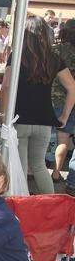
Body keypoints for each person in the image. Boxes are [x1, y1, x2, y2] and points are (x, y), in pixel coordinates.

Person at [0, 16, 75, 194]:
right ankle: (51, 206)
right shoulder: (53, 58)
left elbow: (6, 87)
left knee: (21, 168)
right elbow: (72, 87)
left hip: (20, 118)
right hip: (45, 121)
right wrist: (64, 115)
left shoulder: (17, 56)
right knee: (40, 166)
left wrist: (3, 114)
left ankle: (23, 207)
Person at [51, 19, 75, 192]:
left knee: (56, 139)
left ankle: (55, 173)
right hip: (69, 100)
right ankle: (72, 183)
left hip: (55, 99)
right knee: (64, 140)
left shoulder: (56, 49)